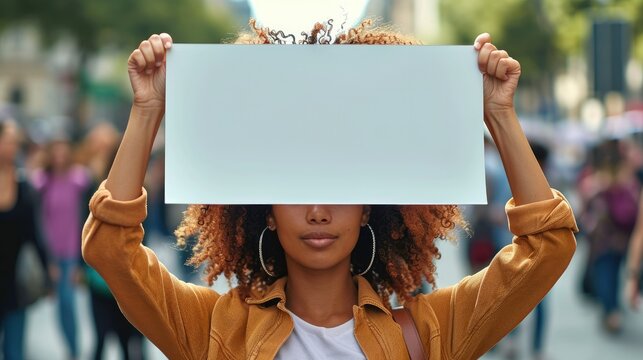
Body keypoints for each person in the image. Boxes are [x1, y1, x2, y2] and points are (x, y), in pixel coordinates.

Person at [82, 21, 578, 359]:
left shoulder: (427, 334)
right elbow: (110, 249)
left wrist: (498, 114)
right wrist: (147, 110)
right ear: (268, 212)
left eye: (339, 191)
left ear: (367, 209)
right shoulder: (215, 331)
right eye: (296, 192)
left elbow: (547, 248)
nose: (318, 211)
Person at [31, 136, 91, 359]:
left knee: (68, 302)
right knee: (60, 306)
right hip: (52, 254)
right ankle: (70, 346)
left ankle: (74, 350)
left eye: (63, 152)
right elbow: (39, 220)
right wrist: (48, 260)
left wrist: (80, 263)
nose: (60, 157)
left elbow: (84, 219)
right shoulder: (42, 182)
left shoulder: (79, 180)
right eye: (55, 152)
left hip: (73, 253)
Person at [0, 119, 51, 360]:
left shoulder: (23, 186)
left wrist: (47, 269)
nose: (14, 146)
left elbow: (35, 234)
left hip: (15, 283)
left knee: (14, 351)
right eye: (9, 140)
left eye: (15, 141)